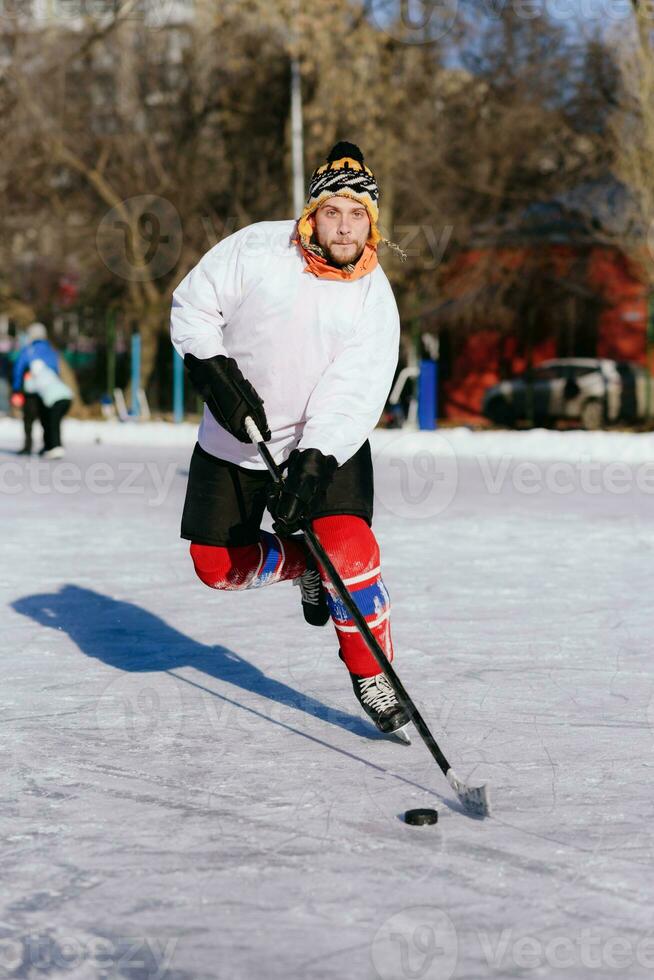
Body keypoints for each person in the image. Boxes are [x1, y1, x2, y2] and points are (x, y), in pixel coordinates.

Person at [170, 141, 409, 738]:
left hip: (318, 445)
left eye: (358, 214)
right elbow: (193, 306)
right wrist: (214, 373)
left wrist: (314, 459)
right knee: (216, 566)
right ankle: (301, 560)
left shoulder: (374, 298)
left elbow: (354, 390)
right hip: (235, 436)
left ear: (372, 221)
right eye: (334, 211)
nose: (346, 226)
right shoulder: (256, 248)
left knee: (349, 549)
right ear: (313, 213)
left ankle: (371, 669)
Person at [11, 323, 72, 458]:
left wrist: (16, 389)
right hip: (47, 393)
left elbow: (18, 369)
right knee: (46, 419)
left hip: (30, 391)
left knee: (29, 420)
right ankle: (48, 445)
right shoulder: (52, 351)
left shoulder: (28, 350)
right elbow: (56, 371)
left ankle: (28, 446)